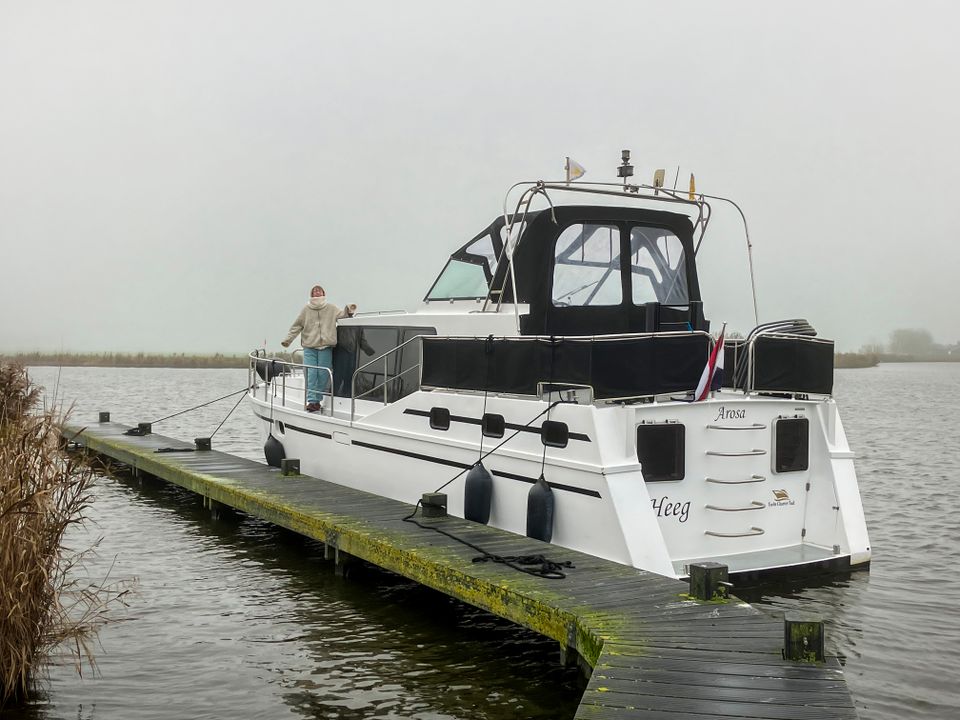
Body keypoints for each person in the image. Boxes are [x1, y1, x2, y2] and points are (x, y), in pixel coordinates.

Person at [282, 285, 357, 412]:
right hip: (309, 347)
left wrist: (349, 308)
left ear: (323, 293)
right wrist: (288, 340)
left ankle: (317, 400)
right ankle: (312, 401)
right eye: (314, 290)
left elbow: (342, 315)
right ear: (311, 295)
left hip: (326, 347)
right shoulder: (306, 309)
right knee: (311, 373)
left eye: (319, 290)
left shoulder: (331, 308)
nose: (316, 291)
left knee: (323, 374)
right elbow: (297, 326)